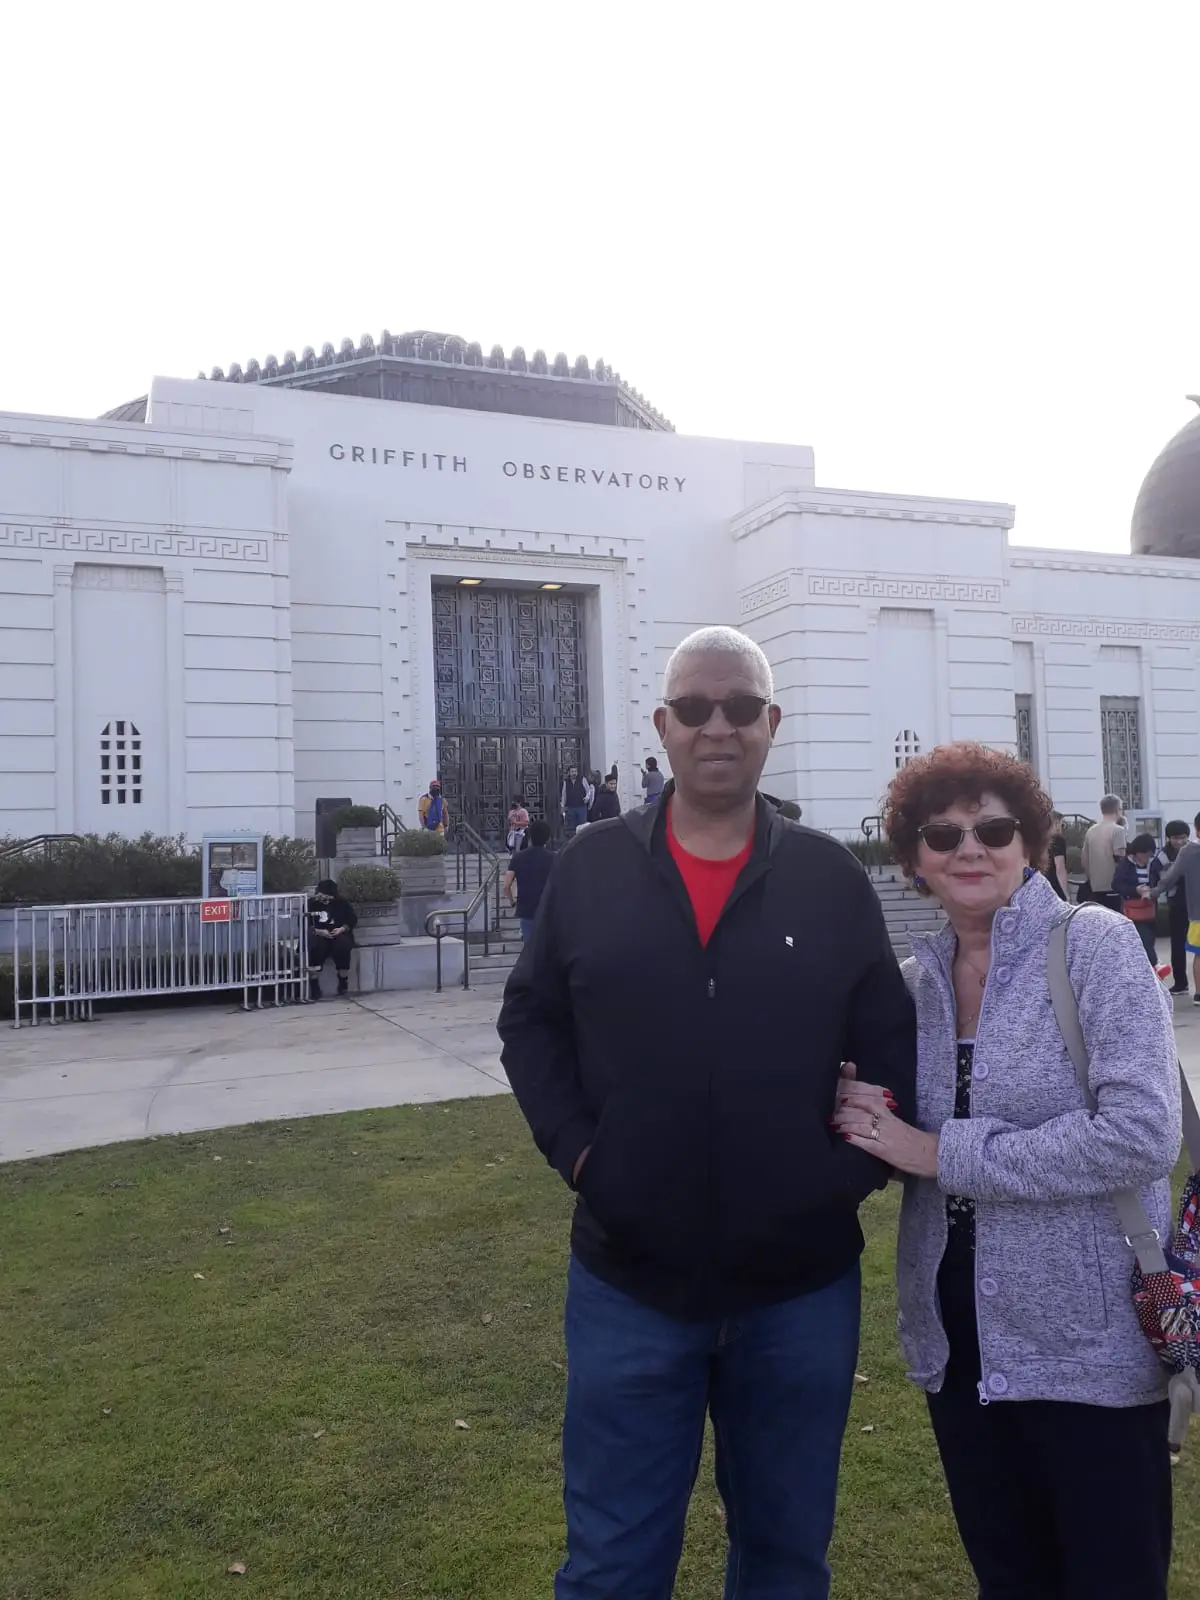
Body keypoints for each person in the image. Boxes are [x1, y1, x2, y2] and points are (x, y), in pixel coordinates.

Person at [498, 624, 916, 1600]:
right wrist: (580, 1155)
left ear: (771, 723)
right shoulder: (593, 867)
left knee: (783, 1558)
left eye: (740, 708)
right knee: (613, 1565)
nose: (717, 726)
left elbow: (891, 1042)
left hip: (799, 1290)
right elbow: (530, 1020)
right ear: (663, 726)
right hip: (629, 1285)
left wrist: (842, 1175)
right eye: (695, 708)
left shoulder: (827, 879)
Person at [833, 742, 1180, 1599]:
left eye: (992, 828)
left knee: (1110, 1578)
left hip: (1089, 1337)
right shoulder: (915, 986)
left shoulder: (1092, 945)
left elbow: (1142, 1134)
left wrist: (938, 1153)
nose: (969, 849)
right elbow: (884, 1112)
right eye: (942, 835)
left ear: (1028, 840)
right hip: (960, 1339)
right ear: (913, 858)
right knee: (1009, 1577)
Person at [1150, 811, 1200, 1006]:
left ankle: (1198, 994)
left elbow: (1170, 877)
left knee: (1199, 953)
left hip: (1197, 912)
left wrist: (1153, 892)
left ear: (1195, 829)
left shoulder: (1189, 851)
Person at [503, 818, 554, 942]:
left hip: (526, 908)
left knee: (529, 946)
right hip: (548, 908)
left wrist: (512, 902)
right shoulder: (554, 858)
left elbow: (506, 885)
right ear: (548, 838)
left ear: (530, 836)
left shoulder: (518, 857)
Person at [307, 878, 358, 999]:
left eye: (328, 897)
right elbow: (305, 923)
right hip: (319, 934)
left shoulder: (342, 903)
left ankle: (343, 979)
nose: (325, 900)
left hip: (338, 933)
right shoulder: (311, 903)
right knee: (317, 947)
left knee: (343, 945)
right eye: (323, 897)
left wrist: (342, 929)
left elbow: (352, 920)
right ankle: (314, 984)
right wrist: (319, 931)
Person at [1113, 833, 1160, 962]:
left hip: (1150, 907)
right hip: (1133, 909)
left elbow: (1162, 881)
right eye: (1143, 854)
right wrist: (1135, 890)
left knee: (1149, 940)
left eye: (1148, 854)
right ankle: (1153, 968)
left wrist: (1152, 891)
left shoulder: (1154, 863)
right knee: (1143, 942)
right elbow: (1116, 884)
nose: (1146, 857)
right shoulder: (1125, 864)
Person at [1079, 793, 1126, 909]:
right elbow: (1120, 859)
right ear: (1118, 809)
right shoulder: (1118, 830)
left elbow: (1084, 861)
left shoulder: (1091, 831)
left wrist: (1092, 877)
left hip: (1094, 888)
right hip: (1113, 888)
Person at [1043, 809, 1069, 900]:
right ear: (1056, 824)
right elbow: (1060, 867)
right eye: (1062, 825)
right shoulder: (1057, 840)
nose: (1062, 828)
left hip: (1042, 885)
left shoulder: (1040, 840)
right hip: (1055, 887)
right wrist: (1066, 894)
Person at [560, 766, 590, 838]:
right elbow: (564, 794)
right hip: (571, 807)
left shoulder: (582, 779)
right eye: (572, 771)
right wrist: (562, 806)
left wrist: (587, 798)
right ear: (569, 773)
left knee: (582, 826)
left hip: (581, 806)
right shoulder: (566, 782)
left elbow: (588, 791)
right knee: (571, 827)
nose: (574, 773)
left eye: (575, 771)